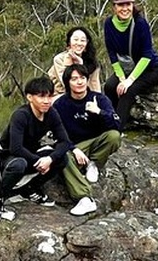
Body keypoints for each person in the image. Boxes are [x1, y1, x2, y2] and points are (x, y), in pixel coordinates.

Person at [0, 77, 72, 222]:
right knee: (19, 164)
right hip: (8, 156)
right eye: (41, 96)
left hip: (30, 153)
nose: (46, 101)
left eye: (50, 96)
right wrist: (39, 161)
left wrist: (49, 159)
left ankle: (29, 189)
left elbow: (65, 142)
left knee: (62, 158)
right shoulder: (21, 115)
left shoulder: (52, 113)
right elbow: (15, 148)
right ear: (30, 97)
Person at [53, 63, 121, 216]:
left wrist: (99, 112)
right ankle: (84, 198)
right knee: (61, 156)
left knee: (114, 137)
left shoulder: (99, 99)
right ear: (67, 83)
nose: (79, 82)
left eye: (83, 78)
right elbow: (58, 134)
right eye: (74, 79)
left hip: (97, 142)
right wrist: (73, 149)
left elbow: (117, 125)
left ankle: (94, 163)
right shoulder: (60, 104)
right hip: (75, 146)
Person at [103, 0, 158, 130]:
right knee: (110, 86)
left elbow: (147, 55)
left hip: (149, 69)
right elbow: (112, 53)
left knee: (127, 91)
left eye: (128, 5)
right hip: (127, 68)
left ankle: (116, 129)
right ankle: (114, 118)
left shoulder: (140, 24)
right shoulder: (109, 24)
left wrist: (129, 81)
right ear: (114, 7)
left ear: (132, 6)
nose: (125, 9)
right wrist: (122, 78)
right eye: (121, 5)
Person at [47, 26, 102, 95]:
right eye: (75, 40)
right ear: (69, 42)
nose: (79, 43)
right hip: (63, 95)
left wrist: (99, 100)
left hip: (87, 96)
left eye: (82, 40)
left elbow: (95, 85)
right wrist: (79, 66)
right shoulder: (59, 59)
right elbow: (66, 84)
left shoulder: (92, 61)